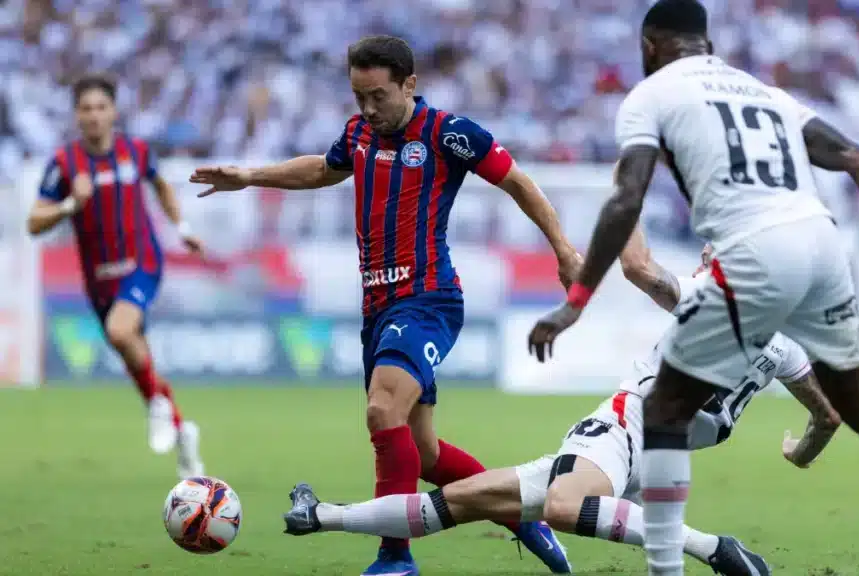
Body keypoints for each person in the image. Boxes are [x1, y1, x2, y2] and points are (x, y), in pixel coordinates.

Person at [525, 1, 859, 575]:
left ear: (650, 46)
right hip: (822, 245)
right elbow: (856, 156)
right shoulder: (764, 93)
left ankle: (670, 569)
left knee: (662, 408)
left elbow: (626, 200)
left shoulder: (652, 95)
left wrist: (576, 301)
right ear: (708, 44)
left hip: (754, 250)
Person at [189, 35, 579, 576]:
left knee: (382, 410)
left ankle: (394, 558)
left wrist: (564, 250)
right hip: (377, 308)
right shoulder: (358, 133)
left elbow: (517, 182)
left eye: (379, 96)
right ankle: (522, 516)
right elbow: (323, 169)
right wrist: (250, 176)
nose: (369, 109)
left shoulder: (448, 133)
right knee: (424, 454)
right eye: (359, 97)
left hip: (427, 299)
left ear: (409, 85)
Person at [281, 239, 842, 576]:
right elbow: (827, 417)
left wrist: (630, 188)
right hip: (654, 461)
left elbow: (638, 268)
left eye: (714, 253)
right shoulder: (784, 347)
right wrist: (800, 452)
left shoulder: (707, 300)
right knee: (463, 500)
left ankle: (715, 549)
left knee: (561, 506)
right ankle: (320, 516)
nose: (704, 257)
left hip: (621, 431)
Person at [26, 74, 205, 480]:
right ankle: (182, 433)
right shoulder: (65, 164)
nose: (93, 115)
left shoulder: (135, 152)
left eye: (100, 107)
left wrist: (182, 228)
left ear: (113, 112)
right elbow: (34, 222)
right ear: (76, 115)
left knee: (121, 332)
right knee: (135, 356)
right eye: (85, 108)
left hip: (142, 262)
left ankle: (158, 407)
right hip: (99, 279)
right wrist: (70, 204)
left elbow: (161, 186)